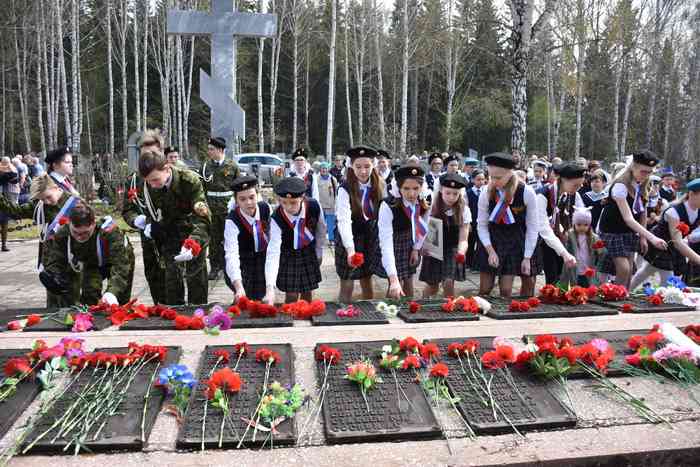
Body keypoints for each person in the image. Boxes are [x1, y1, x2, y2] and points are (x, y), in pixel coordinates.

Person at [123, 150, 211, 305]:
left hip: (193, 233)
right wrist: (148, 223)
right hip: (169, 236)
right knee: (172, 281)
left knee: (196, 280)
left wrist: (193, 244)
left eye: (155, 180)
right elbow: (155, 211)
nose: (152, 185)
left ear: (167, 168)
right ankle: (174, 314)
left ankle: (198, 315)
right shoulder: (149, 184)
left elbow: (203, 219)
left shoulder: (189, 181)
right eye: (149, 181)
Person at [0, 174, 81, 306]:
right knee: (52, 307)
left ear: (56, 188)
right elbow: (16, 211)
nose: (46, 202)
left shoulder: (76, 204)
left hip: (71, 263)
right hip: (50, 264)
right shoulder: (40, 205)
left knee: (72, 306)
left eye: (48, 197)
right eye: (42, 199)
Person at [42, 201, 135, 307]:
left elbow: (121, 267)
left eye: (85, 233)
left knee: (119, 300)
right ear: (69, 224)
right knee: (90, 296)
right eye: (76, 232)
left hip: (121, 260)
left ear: (94, 224)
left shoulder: (110, 233)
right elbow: (56, 259)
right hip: (92, 262)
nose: (80, 237)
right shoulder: (63, 234)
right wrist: (53, 275)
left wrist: (112, 292)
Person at [598, 151, 668, 289]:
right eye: (643, 171)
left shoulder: (643, 183)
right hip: (613, 231)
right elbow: (628, 218)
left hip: (630, 232)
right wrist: (652, 238)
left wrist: (643, 237)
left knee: (629, 270)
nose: (647, 175)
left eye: (650, 172)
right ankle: (615, 298)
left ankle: (624, 297)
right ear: (633, 167)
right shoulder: (620, 185)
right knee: (623, 269)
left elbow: (643, 211)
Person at [476, 152, 539, 298]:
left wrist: (527, 257)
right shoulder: (486, 192)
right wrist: (490, 250)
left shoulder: (527, 192)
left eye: (498, 177)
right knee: (485, 289)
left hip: (516, 241)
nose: (493, 181)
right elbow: (482, 225)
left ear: (510, 173)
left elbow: (532, 227)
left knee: (506, 291)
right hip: (491, 240)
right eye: (491, 177)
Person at [335, 146, 387, 303]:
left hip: (369, 237)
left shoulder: (381, 185)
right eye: (358, 167)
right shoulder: (344, 188)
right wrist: (350, 250)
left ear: (373, 165)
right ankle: (341, 315)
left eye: (367, 166)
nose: (363, 171)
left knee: (366, 279)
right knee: (347, 282)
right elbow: (344, 221)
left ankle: (369, 316)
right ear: (351, 166)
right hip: (348, 236)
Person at [629, 179, 700, 291]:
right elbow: (677, 243)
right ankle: (660, 302)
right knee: (668, 280)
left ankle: (626, 291)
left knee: (647, 270)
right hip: (660, 245)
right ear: (691, 194)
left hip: (674, 248)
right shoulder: (674, 212)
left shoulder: (698, 211)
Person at [264, 177, 327, 304]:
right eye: (283, 202)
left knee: (308, 291)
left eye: (293, 202)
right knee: (291, 294)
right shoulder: (277, 217)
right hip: (288, 253)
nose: (288, 207)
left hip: (308, 251)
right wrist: (270, 287)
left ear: (302, 197)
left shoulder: (314, 206)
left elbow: (321, 230)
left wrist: (319, 252)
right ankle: (290, 317)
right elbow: (273, 250)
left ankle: (306, 315)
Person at [125, 129, 167, 304]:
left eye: (153, 153)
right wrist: (137, 220)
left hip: (170, 237)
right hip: (148, 239)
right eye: (144, 154)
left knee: (176, 279)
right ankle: (160, 308)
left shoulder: (172, 174)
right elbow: (127, 210)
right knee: (154, 275)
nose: (148, 158)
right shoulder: (134, 180)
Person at [380, 165, 430, 299]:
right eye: (406, 188)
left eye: (416, 188)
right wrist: (393, 279)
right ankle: (388, 312)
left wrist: (416, 248)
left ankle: (409, 311)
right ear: (398, 188)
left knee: (408, 281)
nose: (412, 194)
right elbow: (386, 243)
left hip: (411, 243)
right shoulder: (388, 205)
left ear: (422, 188)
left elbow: (423, 228)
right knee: (396, 285)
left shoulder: (424, 203)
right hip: (393, 244)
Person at [420, 173, 471, 298]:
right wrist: (421, 246)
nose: (451, 197)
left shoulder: (464, 210)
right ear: (441, 190)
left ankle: (449, 309)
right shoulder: (430, 206)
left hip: (452, 249)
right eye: (448, 193)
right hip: (433, 248)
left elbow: (464, 238)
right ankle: (423, 305)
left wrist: (461, 252)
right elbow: (420, 229)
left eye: (455, 193)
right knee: (432, 286)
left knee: (448, 282)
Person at [536, 162, 586, 284]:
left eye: (580, 185)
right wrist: (564, 253)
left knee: (562, 278)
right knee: (551, 279)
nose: (578, 188)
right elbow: (543, 228)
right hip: (540, 240)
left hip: (559, 239)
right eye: (575, 185)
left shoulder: (571, 195)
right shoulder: (542, 195)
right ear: (562, 179)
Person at [224, 176, 270, 301]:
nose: (249, 202)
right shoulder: (232, 220)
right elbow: (231, 254)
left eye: (251, 197)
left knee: (261, 301)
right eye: (242, 199)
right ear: (236, 201)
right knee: (243, 298)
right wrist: (238, 287)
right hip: (242, 263)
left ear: (257, 195)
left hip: (263, 261)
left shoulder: (266, 209)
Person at [200, 137, 240, 280]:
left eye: (212, 149)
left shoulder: (232, 166)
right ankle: (215, 267)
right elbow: (201, 188)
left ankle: (227, 266)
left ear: (221, 150)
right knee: (213, 239)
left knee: (228, 238)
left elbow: (238, 188)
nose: (209, 151)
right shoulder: (205, 167)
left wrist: (236, 204)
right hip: (211, 208)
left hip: (227, 207)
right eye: (209, 149)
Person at [559, 207, 605, 288]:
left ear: (589, 225)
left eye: (586, 225)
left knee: (588, 289)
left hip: (588, 269)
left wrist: (597, 265)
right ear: (574, 224)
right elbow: (565, 248)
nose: (582, 227)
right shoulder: (570, 235)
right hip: (575, 268)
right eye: (579, 224)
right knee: (576, 289)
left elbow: (602, 252)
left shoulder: (594, 237)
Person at [465, 169, 485, 271]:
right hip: (472, 221)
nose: (481, 182)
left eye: (482, 179)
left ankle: (478, 264)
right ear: (473, 180)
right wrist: (468, 223)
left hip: (482, 221)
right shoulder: (468, 193)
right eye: (478, 179)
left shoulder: (486, 192)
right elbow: (466, 208)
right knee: (470, 242)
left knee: (481, 243)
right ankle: (468, 263)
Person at [0, 157, 19, 251]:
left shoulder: (4, 172)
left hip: (3, 200)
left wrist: (8, 168)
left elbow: (15, 179)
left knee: (4, 222)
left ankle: (4, 245)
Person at [317, 161, 338, 245]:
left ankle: (331, 239)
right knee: (320, 224)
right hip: (320, 205)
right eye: (322, 168)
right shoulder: (316, 179)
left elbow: (336, 192)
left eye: (325, 168)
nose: (324, 170)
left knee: (330, 224)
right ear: (320, 169)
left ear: (328, 169)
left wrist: (336, 204)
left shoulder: (333, 179)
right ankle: (320, 239)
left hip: (330, 206)